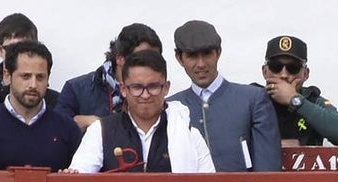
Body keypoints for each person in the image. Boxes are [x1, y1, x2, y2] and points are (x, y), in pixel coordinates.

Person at [66, 49, 213, 173]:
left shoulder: (189, 134)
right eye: (137, 87)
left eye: (153, 86)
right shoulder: (101, 131)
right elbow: (78, 180)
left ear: (166, 88)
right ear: (123, 89)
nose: (145, 95)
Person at [166, 20, 281, 172]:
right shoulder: (170, 107)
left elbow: (268, 169)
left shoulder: (252, 99)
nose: (201, 64)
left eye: (207, 54)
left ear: (218, 52)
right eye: (192, 56)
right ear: (179, 58)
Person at [0, 41, 81, 171]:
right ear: (7, 76)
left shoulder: (67, 128)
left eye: (40, 77)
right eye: (25, 76)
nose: (33, 84)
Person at [57, 22, 162, 133]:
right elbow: (54, 133)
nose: (149, 65)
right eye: (142, 60)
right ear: (120, 59)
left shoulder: (157, 90)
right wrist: (79, 123)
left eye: (155, 60)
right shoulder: (76, 89)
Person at [257, 35, 338, 147]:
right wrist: (275, 145)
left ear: (305, 74)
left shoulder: (312, 101)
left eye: (293, 68)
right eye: (276, 66)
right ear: (264, 71)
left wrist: (295, 100)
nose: (284, 75)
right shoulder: (251, 100)